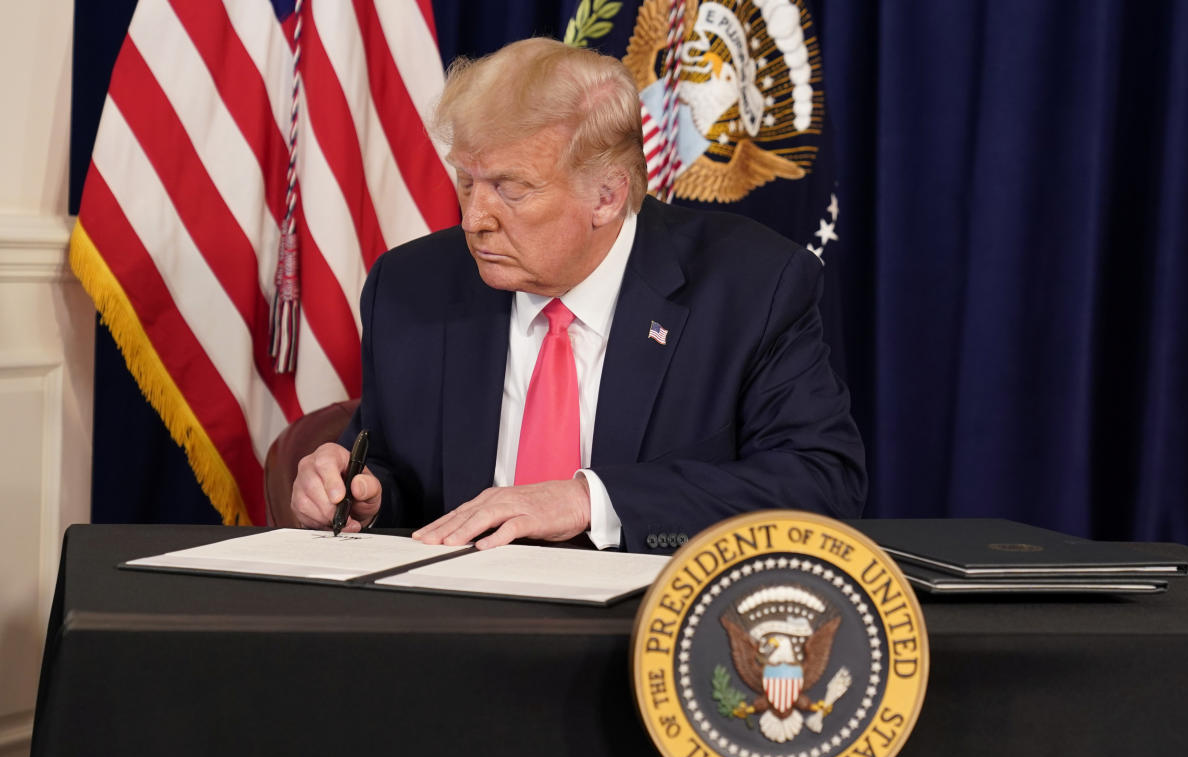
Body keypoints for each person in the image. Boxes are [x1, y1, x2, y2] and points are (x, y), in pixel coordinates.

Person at [290, 37, 866, 553]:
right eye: (467, 181)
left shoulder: (750, 287)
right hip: (459, 630)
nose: (473, 219)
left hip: (647, 633)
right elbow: (398, 475)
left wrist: (589, 500)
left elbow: (820, 482)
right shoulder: (411, 287)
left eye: (510, 189)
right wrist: (360, 494)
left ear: (608, 196)